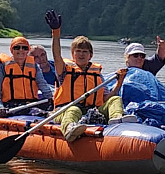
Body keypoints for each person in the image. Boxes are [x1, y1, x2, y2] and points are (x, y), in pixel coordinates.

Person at [46, 9, 129, 143]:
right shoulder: (64, 70)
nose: (81, 54)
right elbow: (56, 55)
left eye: (85, 51)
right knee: (74, 110)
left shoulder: (96, 73)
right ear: (73, 54)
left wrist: (119, 83)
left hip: (91, 111)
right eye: (78, 51)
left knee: (115, 100)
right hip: (65, 110)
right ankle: (69, 129)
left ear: (90, 55)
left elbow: (105, 99)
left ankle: (117, 120)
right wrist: (56, 32)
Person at [0, 36, 54, 115]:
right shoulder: (3, 67)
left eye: (24, 48)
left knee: (49, 106)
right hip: (11, 105)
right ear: (12, 50)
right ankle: (43, 114)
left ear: (28, 51)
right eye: (17, 47)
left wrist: (52, 98)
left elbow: (43, 85)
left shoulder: (34, 67)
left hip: (31, 103)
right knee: (34, 111)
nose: (21, 50)